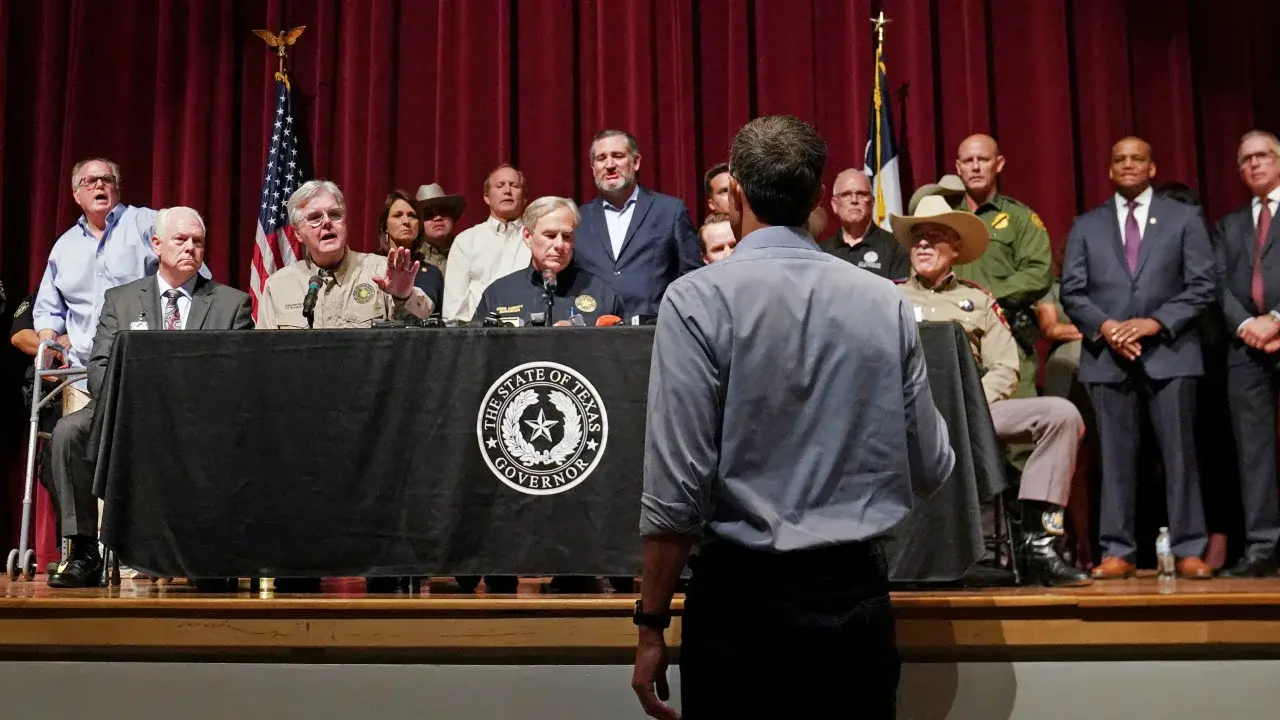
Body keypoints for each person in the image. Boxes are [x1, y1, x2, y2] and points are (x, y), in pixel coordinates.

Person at [633, 115, 954, 719]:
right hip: (855, 596)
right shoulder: (884, 298)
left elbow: (676, 493)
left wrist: (650, 625)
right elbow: (932, 465)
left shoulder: (698, 298)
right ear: (817, 199)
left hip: (740, 604)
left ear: (737, 198)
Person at [46, 207, 253, 588]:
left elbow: (240, 375)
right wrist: (134, 405)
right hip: (127, 412)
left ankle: (208, 553)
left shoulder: (231, 304)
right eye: (181, 239)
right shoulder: (121, 300)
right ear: (156, 245)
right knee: (68, 433)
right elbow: (99, 366)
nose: (190, 247)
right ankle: (84, 551)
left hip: (201, 420)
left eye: (198, 241)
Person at [893, 196, 1089, 587]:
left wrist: (968, 405)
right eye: (918, 238)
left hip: (973, 413)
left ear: (956, 248)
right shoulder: (888, 295)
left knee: (1062, 415)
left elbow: (1006, 367)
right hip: (906, 419)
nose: (924, 245)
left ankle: (1039, 542)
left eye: (934, 236)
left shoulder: (979, 300)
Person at [1061, 136, 1216, 580]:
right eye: (1120, 159)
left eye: (1137, 159)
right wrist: (1108, 328)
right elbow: (1073, 290)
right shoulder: (1086, 225)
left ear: (1152, 168)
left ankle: (1189, 548)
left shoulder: (1183, 218)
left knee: (1180, 457)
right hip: (1108, 357)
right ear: (1110, 170)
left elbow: (1202, 285)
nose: (1128, 165)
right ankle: (1119, 550)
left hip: (1170, 352)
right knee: (1115, 458)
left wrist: (1154, 323)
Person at [32, 158, 208, 385]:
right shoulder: (64, 247)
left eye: (107, 179)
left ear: (117, 188)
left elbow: (194, 274)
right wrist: (48, 345)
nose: (99, 185)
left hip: (145, 369)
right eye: (90, 181)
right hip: (80, 377)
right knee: (73, 423)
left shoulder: (147, 223)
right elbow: (48, 308)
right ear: (76, 195)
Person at [1214, 129, 1280, 577]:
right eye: (1246, 159)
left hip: (1275, 329)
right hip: (1245, 348)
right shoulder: (1229, 224)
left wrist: (1277, 319)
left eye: (1263, 155)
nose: (1255, 164)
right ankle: (1262, 547)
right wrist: (1246, 325)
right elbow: (1217, 284)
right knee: (1253, 452)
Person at [952, 135, 1053, 400]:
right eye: (968, 160)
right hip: (955, 342)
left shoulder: (1020, 218)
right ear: (958, 167)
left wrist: (985, 297)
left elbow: (1039, 272)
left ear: (999, 164)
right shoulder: (946, 218)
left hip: (1007, 337)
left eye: (983, 160)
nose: (975, 167)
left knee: (1017, 433)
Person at [256, 180, 431, 329]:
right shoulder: (278, 286)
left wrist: (403, 297)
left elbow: (423, 329)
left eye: (335, 214)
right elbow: (264, 354)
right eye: (315, 217)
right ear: (298, 234)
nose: (327, 222)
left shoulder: (381, 271)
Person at [574, 129, 701, 317]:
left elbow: (692, 277)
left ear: (636, 162)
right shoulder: (578, 219)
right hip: (594, 335)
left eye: (618, 156)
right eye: (601, 158)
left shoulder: (670, 211)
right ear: (593, 168)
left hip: (654, 332)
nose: (609, 165)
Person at [474, 196, 624, 326]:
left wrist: (580, 337)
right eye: (550, 235)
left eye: (566, 236)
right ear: (527, 236)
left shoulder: (602, 293)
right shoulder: (499, 294)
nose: (559, 245)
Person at [441, 164, 529, 322]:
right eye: (500, 185)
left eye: (514, 185)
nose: (507, 191)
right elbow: (453, 305)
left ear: (524, 197)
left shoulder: (536, 238)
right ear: (486, 197)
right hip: (480, 335)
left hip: (528, 331)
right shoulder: (466, 240)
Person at [820, 168, 910, 280]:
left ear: (872, 202)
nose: (854, 200)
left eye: (861, 194)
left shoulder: (895, 248)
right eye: (846, 195)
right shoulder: (821, 252)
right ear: (834, 205)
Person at [376, 190, 445, 309]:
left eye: (412, 215)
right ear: (385, 227)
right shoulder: (370, 265)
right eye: (397, 215)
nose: (406, 222)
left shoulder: (432, 273)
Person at [412, 182, 465, 276]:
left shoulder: (467, 251)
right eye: (428, 214)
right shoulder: (411, 258)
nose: (437, 218)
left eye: (443, 211)